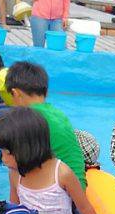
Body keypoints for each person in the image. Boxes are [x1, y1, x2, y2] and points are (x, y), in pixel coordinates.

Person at [5, 60, 87, 188]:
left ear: (15, 93)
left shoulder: (29, 120)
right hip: (79, 186)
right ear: (46, 92)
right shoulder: (57, 113)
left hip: (62, 192)